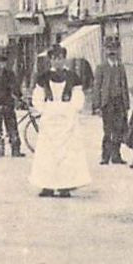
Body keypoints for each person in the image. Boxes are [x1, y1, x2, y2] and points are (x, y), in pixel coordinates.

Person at [29, 65, 91, 198]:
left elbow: (78, 96)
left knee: (67, 151)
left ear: (64, 58)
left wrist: (72, 109)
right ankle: (47, 185)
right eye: (54, 58)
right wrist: (43, 108)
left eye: (60, 57)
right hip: (50, 114)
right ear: (51, 59)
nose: (57, 60)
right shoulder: (44, 77)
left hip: (67, 115)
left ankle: (65, 186)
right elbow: (37, 96)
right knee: (47, 151)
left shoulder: (72, 76)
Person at [94, 39, 130, 165]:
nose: (112, 52)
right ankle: (105, 156)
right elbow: (97, 87)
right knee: (107, 130)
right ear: (105, 51)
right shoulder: (101, 67)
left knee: (119, 129)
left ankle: (116, 156)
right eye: (109, 49)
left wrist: (127, 104)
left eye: (114, 49)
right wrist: (97, 106)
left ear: (118, 51)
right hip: (107, 103)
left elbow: (124, 85)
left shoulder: (121, 67)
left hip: (119, 102)